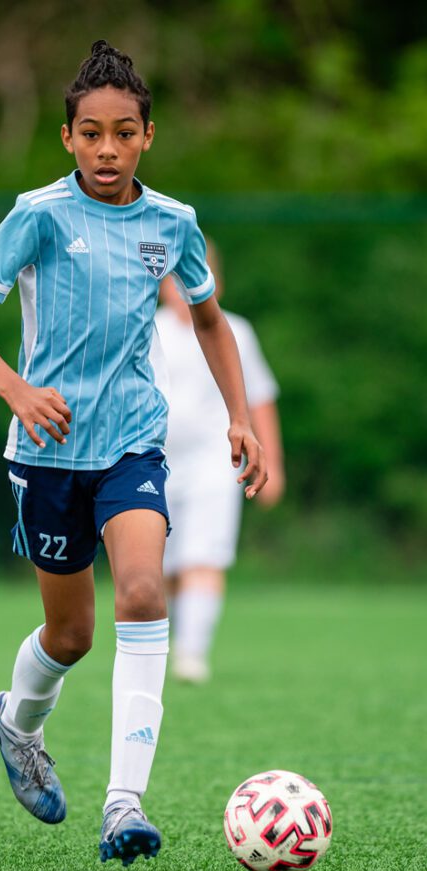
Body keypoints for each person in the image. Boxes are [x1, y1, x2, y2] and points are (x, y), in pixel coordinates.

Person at [0, 40, 267, 866]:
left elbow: (206, 321)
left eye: (124, 132)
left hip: (131, 441)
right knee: (71, 633)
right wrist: (17, 390)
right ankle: (18, 722)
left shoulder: (174, 224)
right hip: (47, 452)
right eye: (91, 133)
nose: (107, 148)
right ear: (68, 139)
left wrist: (240, 416)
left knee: (144, 589)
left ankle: (123, 802)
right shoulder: (38, 213)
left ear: (147, 137)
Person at [156, 241, 284, 683]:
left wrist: (274, 465)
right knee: (163, 565)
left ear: (215, 281)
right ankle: (170, 642)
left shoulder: (236, 332)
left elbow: (261, 399)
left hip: (216, 459)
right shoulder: (147, 331)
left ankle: (193, 653)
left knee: (203, 555)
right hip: (154, 461)